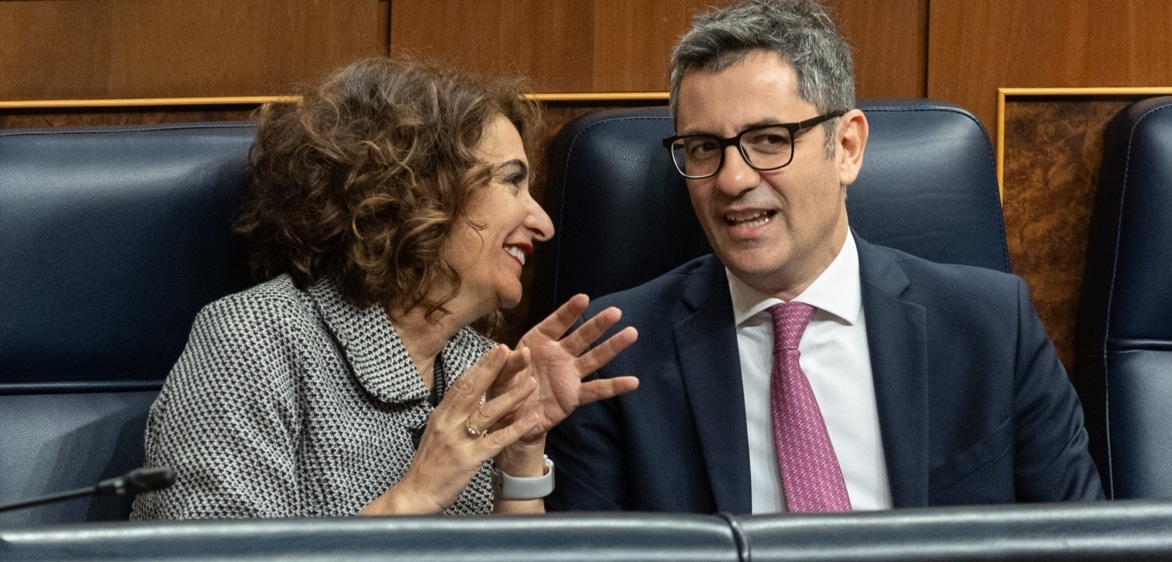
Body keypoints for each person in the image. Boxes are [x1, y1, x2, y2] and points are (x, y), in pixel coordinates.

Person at [544, 0, 1103, 514]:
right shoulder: (616, 352)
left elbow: (1085, 559)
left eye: (769, 139)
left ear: (848, 148)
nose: (733, 179)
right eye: (704, 148)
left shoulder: (991, 327)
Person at [131, 57, 637, 519]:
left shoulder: (478, 367)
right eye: (511, 182)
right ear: (417, 191)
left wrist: (521, 456)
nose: (544, 223)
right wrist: (413, 497)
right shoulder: (254, 338)